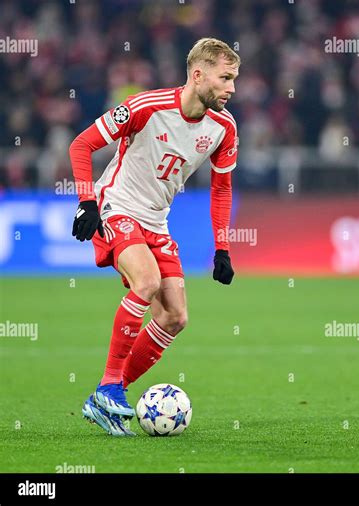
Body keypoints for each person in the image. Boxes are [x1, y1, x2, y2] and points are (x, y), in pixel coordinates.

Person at [69, 38, 240, 436]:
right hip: (117, 206)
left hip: (157, 221)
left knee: (176, 315)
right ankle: (111, 384)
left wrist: (223, 248)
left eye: (234, 78)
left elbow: (221, 189)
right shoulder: (147, 106)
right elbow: (82, 144)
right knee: (146, 282)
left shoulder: (223, 128)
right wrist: (87, 201)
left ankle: (107, 396)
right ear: (198, 75)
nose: (232, 88)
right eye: (225, 77)